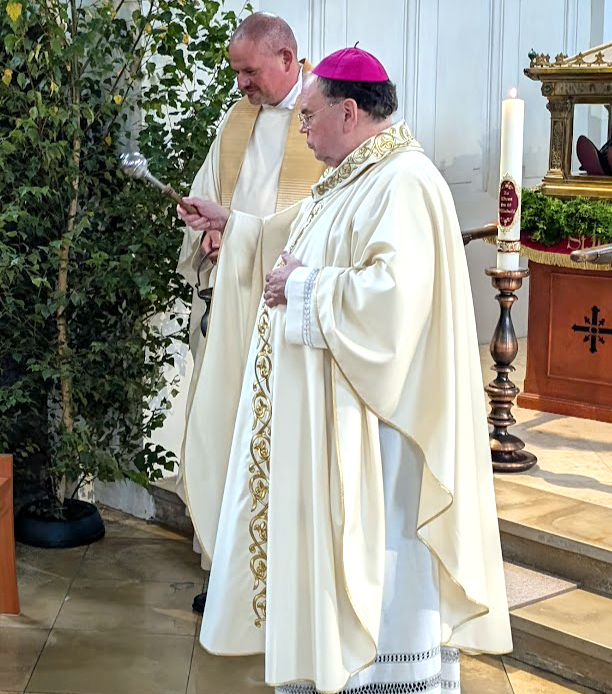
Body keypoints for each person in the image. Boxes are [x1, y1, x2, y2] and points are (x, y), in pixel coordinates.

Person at [177, 47, 512, 692]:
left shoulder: (406, 181)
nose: (301, 129)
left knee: (381, 570)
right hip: (339, 425)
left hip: (380, 439)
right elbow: (297, 236)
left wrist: (306, 288)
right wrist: (236, 226)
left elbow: (394, 302)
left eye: (308, 116)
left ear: (349, 111)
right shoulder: (357, 176)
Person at [173, 12, 325, 641]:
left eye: (250, 71)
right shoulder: (237, 120)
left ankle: (282, 580)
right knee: (228, 430)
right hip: (232, 304)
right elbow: (211, 193)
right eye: (237, 72)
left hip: (286, 311)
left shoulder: (324, 117)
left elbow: (319, 221)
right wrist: (209, 234)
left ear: (288, 59)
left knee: (277, 440)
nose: (241, 84)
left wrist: (235, 230)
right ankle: (228, 569)